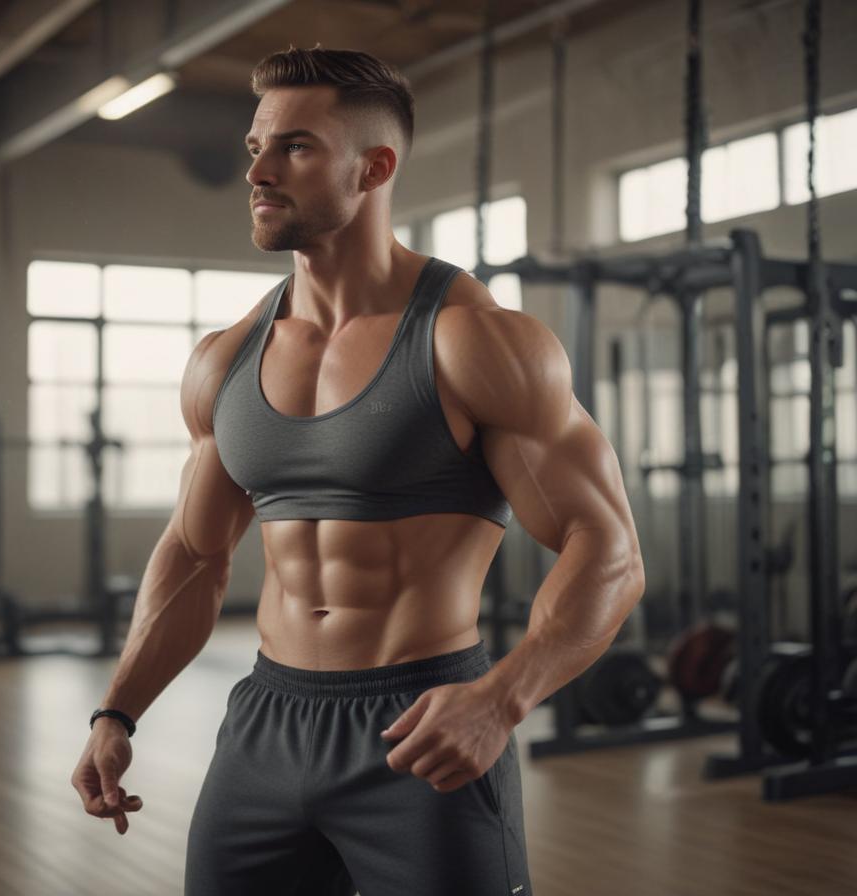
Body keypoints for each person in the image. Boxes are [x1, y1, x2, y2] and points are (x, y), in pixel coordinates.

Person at [71, 46, 645, 895]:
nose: (258, 172)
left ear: (374, 168)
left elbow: (610, 549)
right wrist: (118, 709)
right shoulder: (224, 360)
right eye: (255, 148)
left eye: (295, 147)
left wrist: (501, 700)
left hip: (422, 725)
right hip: (266, 727)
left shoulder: (474, 342)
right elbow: (195, 553)